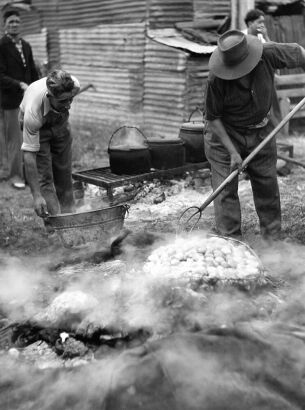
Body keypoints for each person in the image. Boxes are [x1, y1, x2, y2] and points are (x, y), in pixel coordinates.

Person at [204, 30, 305, 240]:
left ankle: (272, 240)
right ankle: (231, 242)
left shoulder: (268, 53)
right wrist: (233, 153)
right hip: (225, 135)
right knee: (225, 191)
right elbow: (213, 118)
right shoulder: (216, 79)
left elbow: (301, 53)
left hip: (261, 129)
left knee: (267, 184)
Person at [20, 69, 80, 217]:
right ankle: (54, 225)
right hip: (39, 129)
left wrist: (64, 102)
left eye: (70, 99)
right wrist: (36, 196)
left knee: (64, 170)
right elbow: (29, 156)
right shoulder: (32, 113)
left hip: (60, 125)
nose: (68, 105)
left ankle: (70, 218)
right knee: (45, 177)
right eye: (63, 101)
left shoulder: (75, 85)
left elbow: (66, 100)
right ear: (49, 96)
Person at [0, 9, 39, 188]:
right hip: (11, 101)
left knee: (29, 138)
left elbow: (32, 71)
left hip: (29, 101)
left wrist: (39, 88)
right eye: (11, 22)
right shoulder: (2, 45)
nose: (14, 24)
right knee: (14, 140)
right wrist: (20, 84)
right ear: (4, 25)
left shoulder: (26, 45)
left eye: (17, 21)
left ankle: (29, 175)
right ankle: (15, 176)